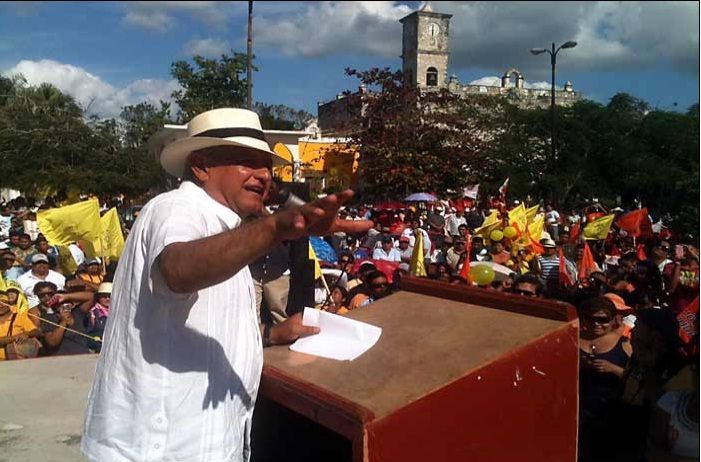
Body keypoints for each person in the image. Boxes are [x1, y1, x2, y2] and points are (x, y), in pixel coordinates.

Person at [81, 108, 371, 462]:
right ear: (202, 166)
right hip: (163, 448)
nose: (264, 176)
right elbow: (178, 269)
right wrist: (274, 228)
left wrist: (272, 333)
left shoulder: (228, 231)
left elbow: (205, 319)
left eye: (267, 166)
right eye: (247, 162)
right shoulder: (176, 208)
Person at [577, 296, 633, 462]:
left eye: (602, 320)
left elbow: (636, 381)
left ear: (612, 320)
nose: (596, 324)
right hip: (578, 412)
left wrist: (614, 369)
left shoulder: (625, 345)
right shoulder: (572, 337)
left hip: (610, 416)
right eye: (590, 319)